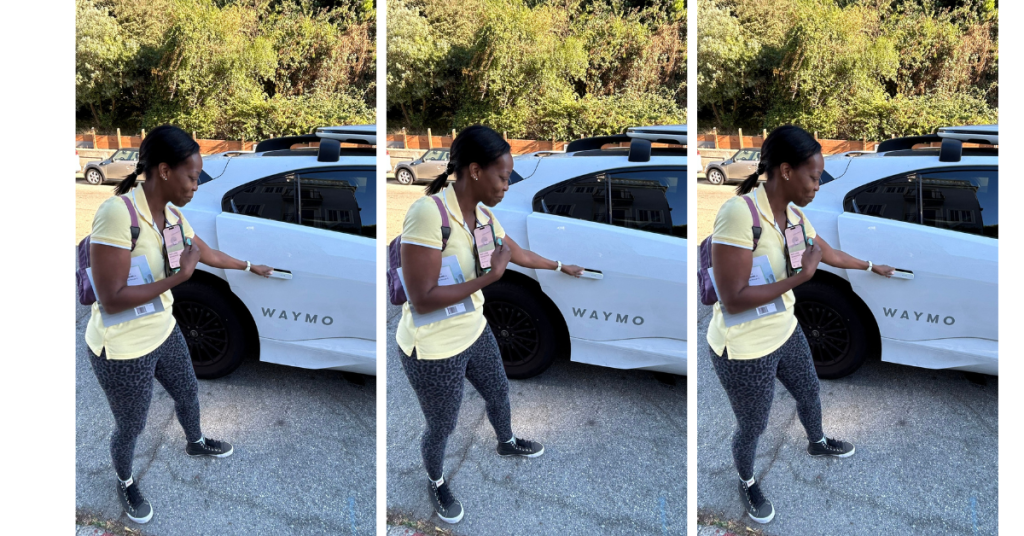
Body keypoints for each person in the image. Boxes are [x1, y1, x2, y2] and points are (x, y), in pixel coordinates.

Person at [707, 125, 895, 524]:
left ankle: (817, 441)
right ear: (787, 171)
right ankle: (746, 479)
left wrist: (869, 266)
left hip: (784, 329)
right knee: (753, 425)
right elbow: (733, 297)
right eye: (813, 176)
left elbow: (825, 253)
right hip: (744, 347)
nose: (817, 185)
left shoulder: (794, 217)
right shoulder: (739, 213)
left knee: (809, 391)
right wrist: (799, 279)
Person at [86, 125, 273, 523]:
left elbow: (203, 253)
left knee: (188, 392)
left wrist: (247, 265)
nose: (196, 185)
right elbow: (111, 298)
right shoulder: (118, 214)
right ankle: (124, 479)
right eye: (191, 176)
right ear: (165, 171)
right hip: (122, 347)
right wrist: (176, 280)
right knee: (131, 425)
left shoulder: (172, 217)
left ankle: (195, 441)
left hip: (162, 329)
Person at [397, 125, 584, 524]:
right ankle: (435, 479)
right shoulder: (428, 213)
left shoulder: (483, 216)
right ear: (476, 171)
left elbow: (513, 253)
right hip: (432, 347)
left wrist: (558, 265)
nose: (507, 185)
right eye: (502, 176)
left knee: (499, 392)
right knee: (442, 425)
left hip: (473, 329)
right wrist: (487, 280)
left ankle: (506, 441)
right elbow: (422, 298)